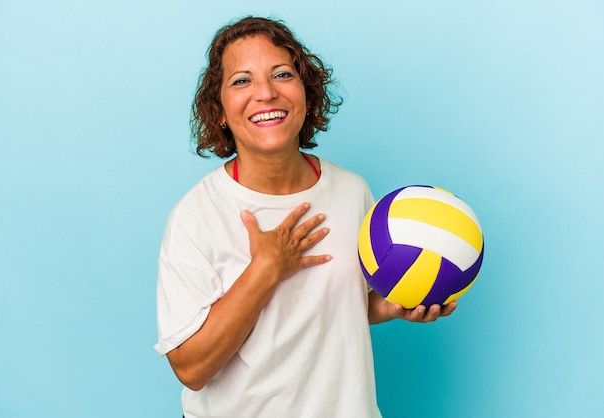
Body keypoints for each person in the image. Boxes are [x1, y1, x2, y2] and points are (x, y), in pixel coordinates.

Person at [155, 16, 457, 418]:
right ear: (220, 111)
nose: (265, 92)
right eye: (242, 80)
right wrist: (265, 268)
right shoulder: (197, 215)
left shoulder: (351, 192)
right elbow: (191, 368)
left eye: (282, 74)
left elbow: (343, 304)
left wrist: (392, 306)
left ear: (306, 94)